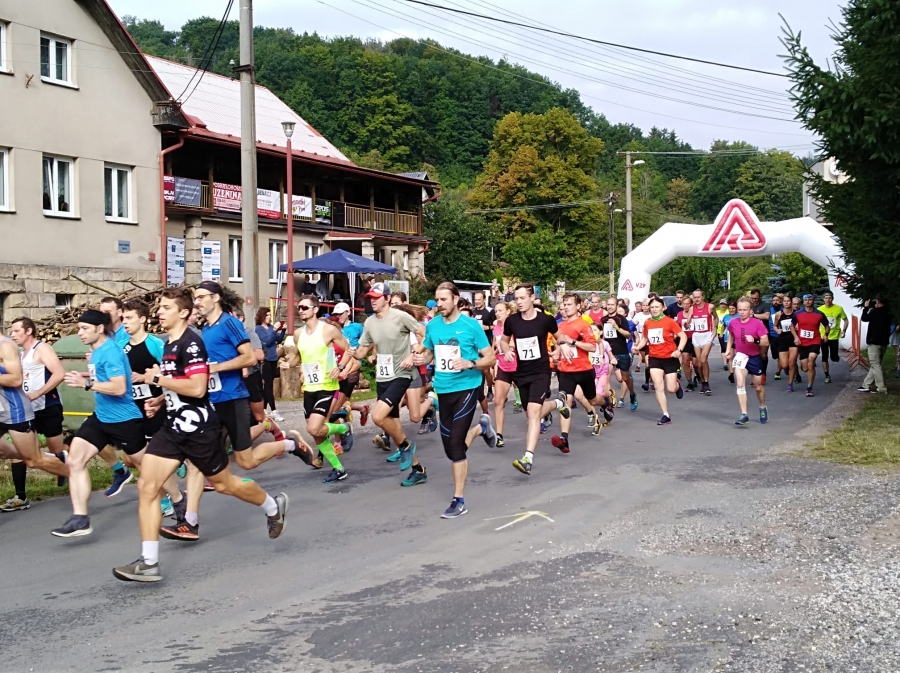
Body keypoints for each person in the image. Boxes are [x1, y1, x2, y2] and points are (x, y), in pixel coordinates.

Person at [112, 288, 288, 582]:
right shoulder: (170, 344)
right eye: (159, 308)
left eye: (165, 308)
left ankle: (273, 506)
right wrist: (161, 397)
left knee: (225, 485)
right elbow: (178, 384)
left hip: (199, 430)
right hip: (173, 427)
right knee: (147, 485)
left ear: (182, 313)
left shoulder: (191, 344)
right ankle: (149, 562)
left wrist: (158, 378)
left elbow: (196, 388)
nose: (159, 313)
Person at [167, 282, 310, 542]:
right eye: (195, 298)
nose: (197, 302)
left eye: (201, 297)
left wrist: (217, 367)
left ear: (216, 298)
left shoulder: (228, 323)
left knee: (246, 462)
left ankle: (290, 445)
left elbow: (250, 357)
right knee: (197, 463)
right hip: (209, 404)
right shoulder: (203, 328)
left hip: (232, 400)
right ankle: (190, 522)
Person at [52, 310, 157, 537]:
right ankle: (80, 518)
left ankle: (177, 499)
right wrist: (85, 377)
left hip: (124, 420)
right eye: (79, 328)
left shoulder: (109, 352)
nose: (79, 333)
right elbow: (102, 379)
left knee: (147, 468)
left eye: (84, 329)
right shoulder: (96, 351)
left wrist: (87, 385)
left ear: (99, 329)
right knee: (76, 459)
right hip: (101, 417)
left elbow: (119, 388)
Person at [414, 282, 497, 518]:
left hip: (467, 387)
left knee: (456, 447)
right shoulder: (433, 326)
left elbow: (489, 358)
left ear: (456, 300)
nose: (439, 305)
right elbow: (430, 352)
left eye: (443, 300)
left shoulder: (471, 326)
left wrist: (470, 363)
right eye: (437, 300)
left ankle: (458, 500)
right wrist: (423, 360)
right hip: (443, 388)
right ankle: (481, 428)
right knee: (451, 448)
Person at [349, 282, 429, 487]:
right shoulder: (369, 323)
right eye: (370, 298)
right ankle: (417, 468)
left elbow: (424, 335)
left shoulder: (400, 316)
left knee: (378, 416)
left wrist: (414, 354)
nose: (372, 301)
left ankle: (405, 447)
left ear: (386, 298)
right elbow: (361, 351)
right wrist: (351, 352)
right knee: (392, 424)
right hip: (383, 376)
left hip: (402, 374)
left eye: (376, 297)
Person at [122, 298, 186, 518]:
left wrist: (152, 387)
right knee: (131, 459)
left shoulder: (155, 344)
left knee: (151, 458)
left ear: (143, 319)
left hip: (157, 405)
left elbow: (171, 374)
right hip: (134, 407)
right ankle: (175, 468)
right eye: (122, 318)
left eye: (129, 318)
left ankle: (166, 499)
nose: (124, 323)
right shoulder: (123, 346)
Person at [498, 284, 571, 476]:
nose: (519, 302)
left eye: (522, 298)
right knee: (533, 415)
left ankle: (528, 458)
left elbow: (559, 336)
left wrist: (561, 346)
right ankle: (557, 403)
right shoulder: (512, 321)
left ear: (532, 298)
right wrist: (506, 351)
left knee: (532, 412)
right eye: (517, 298)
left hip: (541, 372)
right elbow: (504, 340)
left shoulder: (545, 320)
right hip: (521, 373)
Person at [281, 294, 353, 483]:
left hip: (326, 385)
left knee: (315, 427)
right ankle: (339, 469)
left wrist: (340, 367)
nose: (301, 310)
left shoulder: (328, 330)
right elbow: (298, 356)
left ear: (315, 310)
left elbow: (348, 349)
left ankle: (343, 428)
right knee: (315, 432)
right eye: (299, 307)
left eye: (305, 307)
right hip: (309, 387)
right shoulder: (298, 334)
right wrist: (290, 364)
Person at [3, 317, 68, 511]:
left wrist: (38, 393)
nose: (12, 334)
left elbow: (59, 373)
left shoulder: (42, 348)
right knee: (21, 453)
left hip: (47, 406)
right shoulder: (19, 354)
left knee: (56, 451)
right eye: (11, 331)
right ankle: (20, 496)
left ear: (28, 331)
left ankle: (74, 465)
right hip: (25, 409)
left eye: (16, 331)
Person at [550, 294, 607, 452]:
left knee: (593, 400)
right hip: (566, 370)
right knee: (565, 403)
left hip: (584, 370)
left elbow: (592, 347)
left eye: (569, 304)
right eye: (564, 304)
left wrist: (573, 341)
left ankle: (606, 404)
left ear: (578, 306)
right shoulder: (559, 326)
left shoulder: (583, 325)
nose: (566, 307)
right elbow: (559, 348)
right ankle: (564, 439)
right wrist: (555, 355)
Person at [631, 296, 686, 425]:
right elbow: (645, 339)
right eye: (652, 307)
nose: (654, 310)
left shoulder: (670, 322)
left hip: (670, 357)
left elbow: (682, 336)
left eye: (657, 307)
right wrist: (637, 347)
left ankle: (677, 386)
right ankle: (665, 414)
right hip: (655, 358)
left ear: (663, 308)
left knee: (671, 389)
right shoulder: (648, 322)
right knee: (658, 386)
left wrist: (679, 350)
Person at [724, 297, 769, 425]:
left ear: (750, 310)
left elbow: (765, 342)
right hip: (740, 356)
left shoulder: (757, 324)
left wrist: (755, 340)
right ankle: (744, 414)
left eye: (745, 310)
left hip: (754, 357)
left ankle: (762, 406)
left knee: (758, 387)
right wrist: (728, 349)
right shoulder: (733, 323)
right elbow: (731, 335)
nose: (742, 312)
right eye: (740, 310)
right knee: (740, 383)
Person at [329, 302, 371, 425]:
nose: (338, 316)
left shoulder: (357, 327)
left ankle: (341, 433)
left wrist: (361, 353)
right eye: (336, 314)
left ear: (348, 313)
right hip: (338, 366)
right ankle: (362, 409)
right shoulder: (333, 328)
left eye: (340, 313)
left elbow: (369, 341)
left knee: (336, 405)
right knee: (336, 402)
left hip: (352, 367)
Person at [790, 294, 830, 397]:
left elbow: (826, 326)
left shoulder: (819, 314)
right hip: (802, 342)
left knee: (811, 360)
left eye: (810, 299)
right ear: (803, 302)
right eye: (806, 300)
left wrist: (826, 334)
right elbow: (792, 326)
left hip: (815, 340)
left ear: (813, 301)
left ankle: (809, 387)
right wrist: (796, 337)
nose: (808, 301)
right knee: (805, 368)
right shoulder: (798, 314)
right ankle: (807, 367)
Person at [491, 300, 518, 447]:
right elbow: (495, 345)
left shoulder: (516, 325)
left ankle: (544, 415)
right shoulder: (497, 327)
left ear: (508, 311)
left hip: (519, 367)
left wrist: (506, 344)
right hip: (503, 367)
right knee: (498, 401)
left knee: (528, 404)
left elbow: (521, 343)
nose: (498, 313)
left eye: (500, 310)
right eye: (496, 311)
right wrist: (492, 357)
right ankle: (499, 435)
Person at [603, 297, 637, 411]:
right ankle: (608, 402)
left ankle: (632, 395)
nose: (610, 307)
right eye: (608, 304)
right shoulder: (603, 319)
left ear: (617, 306)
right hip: (609, 353)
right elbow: (603, 336)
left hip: (622, 352)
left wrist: (616, 327)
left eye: (612, 305)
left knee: (625, 378)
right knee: (606, 377)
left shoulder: (621, 319)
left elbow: (628, 335)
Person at [254, 307, 286, 422]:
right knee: (268, 385)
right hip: (265, 359)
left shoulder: (271, 327)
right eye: (267, 315)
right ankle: (273, 410)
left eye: (270, 315)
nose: (269, 317)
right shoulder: (258, 329)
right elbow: (267, 341)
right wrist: (274, 331)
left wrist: (282, 330)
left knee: (268, 384)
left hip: (273, 358)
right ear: (262, 316)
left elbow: (277, 340)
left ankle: (263, 409)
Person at [859, 296, 891, 394]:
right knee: (876, 364)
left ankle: (881, 387)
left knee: (875, 364)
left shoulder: (874, 312)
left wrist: (866, 308)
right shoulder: (888, 313)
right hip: (884, 341)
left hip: (874, 342)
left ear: (877, 301)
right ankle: (866, 384)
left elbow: (864, 318)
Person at [689, 289, 718, 395]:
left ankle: (706, 383)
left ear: (703, 297)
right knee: (699, 364)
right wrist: (687, 324)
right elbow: (688, 323)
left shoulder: (710, 307)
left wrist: (714, 329)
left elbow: (715, 317)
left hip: (707, 335)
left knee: (703, 359)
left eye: (698, 297)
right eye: (694, 297)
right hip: (696, 335)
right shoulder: (692, 309)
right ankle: (702, 382)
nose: (696, 299)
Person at [818, 291, 848, 385]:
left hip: (834, 336)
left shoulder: (839, 309)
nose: (828, 300)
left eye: (829, 298)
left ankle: (835, 356)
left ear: (832, 299)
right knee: (824, 356)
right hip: (823, 336)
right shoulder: (819, 309)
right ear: (823, 299)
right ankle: (827, 375)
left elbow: (845, 320)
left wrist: (844, 330)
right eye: (826, 298)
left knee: (834, 357)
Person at [470, 291, 496, 402]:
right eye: (475, 299)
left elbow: (496, 326)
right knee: (477, 368)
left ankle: (490, 389)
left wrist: (487, 327)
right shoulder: (472, 312)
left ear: (484, 299)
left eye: (479, 299)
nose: (477, 302)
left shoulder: (490, 311)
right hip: (475, 345)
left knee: (486, 370)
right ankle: (479, 393)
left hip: (486, 343)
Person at [773, 299, 800, 392]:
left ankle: (790, 384)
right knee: (785, 365)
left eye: (788, 301)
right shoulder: (778, 314)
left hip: (794, 339)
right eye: (785, 301)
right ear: (782, 303)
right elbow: (775, 325)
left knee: (792, 362)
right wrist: (777, 330)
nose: (787, 303)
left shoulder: (796, 313)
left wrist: (798, 327)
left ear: (791, 302)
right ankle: (792, 371)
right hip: (783, 339)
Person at [748, 289, 771, 383]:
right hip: (751, 334)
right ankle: (755, 375)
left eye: (756, 298)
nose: (754, 300)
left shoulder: (765, 305)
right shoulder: (749, 305)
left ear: (760, 296)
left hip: (763, 334)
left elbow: (766, 316)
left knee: (763, 355)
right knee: (753, 355)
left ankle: (763, 373)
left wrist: (754, 315)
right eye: (753, 298)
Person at [675, 296, 697, 390]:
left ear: (691, 304)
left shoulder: (695, 313)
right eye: (684, 304)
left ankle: (699, 376)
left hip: (696, 338)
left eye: (688, 304)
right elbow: (677, 327)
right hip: (685, 340)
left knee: (697, 363)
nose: (686, 306)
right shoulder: (679, 314)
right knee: (685, 361)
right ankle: (689, 382)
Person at [766, 294, 784, 380]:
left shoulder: (784, 310)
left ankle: (778, 372)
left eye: (777, 300)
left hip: (783, 336)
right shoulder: (769, 311)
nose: (775, 302)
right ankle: (783, 365)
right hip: (772, 335)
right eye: (774, 300)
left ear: (780, 301)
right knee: (775, 355)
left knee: (781, 354)